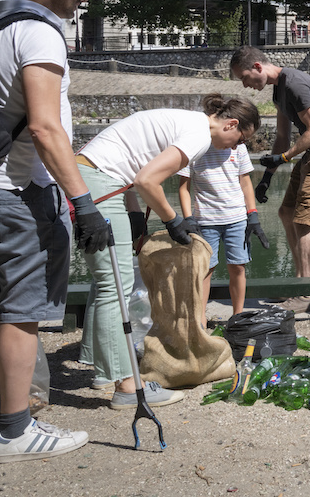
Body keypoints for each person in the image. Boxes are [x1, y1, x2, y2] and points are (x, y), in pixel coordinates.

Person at [0, 0, 108, 463]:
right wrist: (83, 202)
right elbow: (45, 127)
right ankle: (17, 431)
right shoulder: (41, 32)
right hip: (19, 192)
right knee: (21, 314)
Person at [76, 95, 260, 409]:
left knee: (105, 280)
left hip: (93, 174)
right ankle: (128, 387)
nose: (234, 148)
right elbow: (146, 179)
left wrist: (134, 215)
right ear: (231, 124)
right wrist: (173, 220)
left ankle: (102, 371)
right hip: (100, 180)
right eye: (239, 139)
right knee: (114, 286)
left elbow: (133, 166)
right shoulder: (199, 134)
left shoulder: (187, 121)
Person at [230, 46, 310, 314]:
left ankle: (307, 292)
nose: (246, 85)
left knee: (304, 221)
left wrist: (283, 158)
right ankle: (297, 284)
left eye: (244, 77)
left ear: (258, 67)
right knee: (286, 212)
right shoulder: (279, 91)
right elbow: (282, 138)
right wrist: (266, 178)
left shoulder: (294, 84)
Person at [178, 138, 267, 323]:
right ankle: (200, 320)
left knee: (238, 267)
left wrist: (253, 214)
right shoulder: (194, 146)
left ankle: (238, 317)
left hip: (237, 219)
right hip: (204, 220)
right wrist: (188, 218)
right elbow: (183, 186)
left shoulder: (239, 147)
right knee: (204, 270)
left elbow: (245, 181)